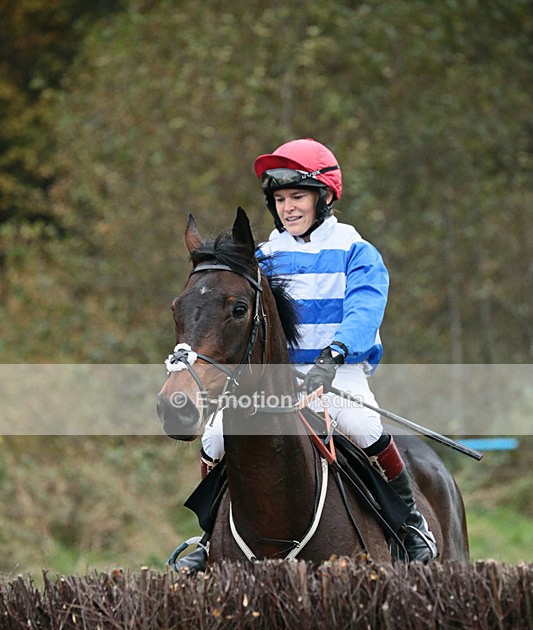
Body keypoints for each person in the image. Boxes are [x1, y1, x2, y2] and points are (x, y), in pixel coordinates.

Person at [174, 138, 438, 574]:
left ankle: (410, 525)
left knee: (364, 426)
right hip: (276, 378)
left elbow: (364, 311)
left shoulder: (357, 251)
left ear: (324, 197)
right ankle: (208, 536)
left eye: (297, 197)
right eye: (280, 200)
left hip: (337, 372)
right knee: (214, 437)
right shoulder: (264, 257)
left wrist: (333, 356)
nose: (288, 208)